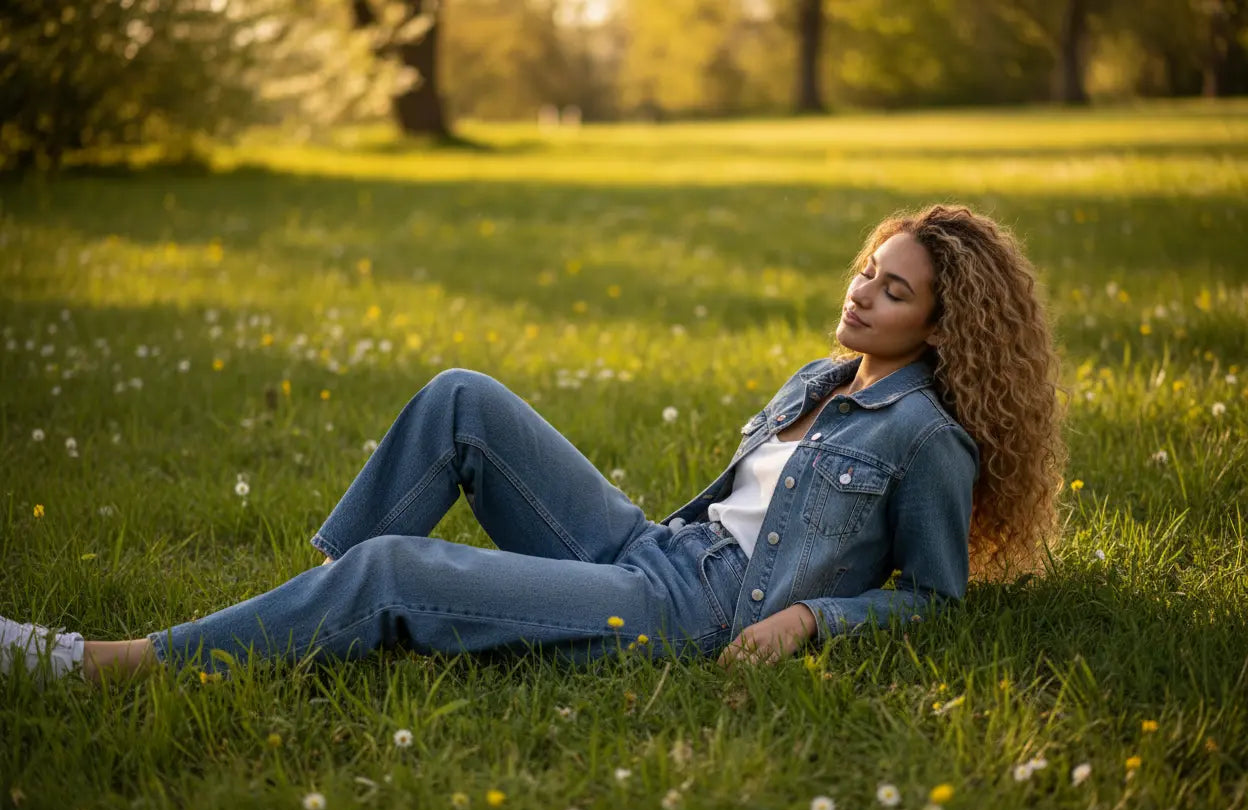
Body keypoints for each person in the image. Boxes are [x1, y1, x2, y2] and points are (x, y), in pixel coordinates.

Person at [1, 204, 1067, 687]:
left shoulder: (929, 437)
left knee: (396, 575)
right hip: (654, 553)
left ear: (942, 324)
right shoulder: (826, 378)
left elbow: (932, 597)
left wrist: (807, 619)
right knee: (461, 397)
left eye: (894, 290)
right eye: (864, 271)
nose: (861, 294)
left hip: (689, 615)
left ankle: (107, 666)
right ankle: (301, 609)